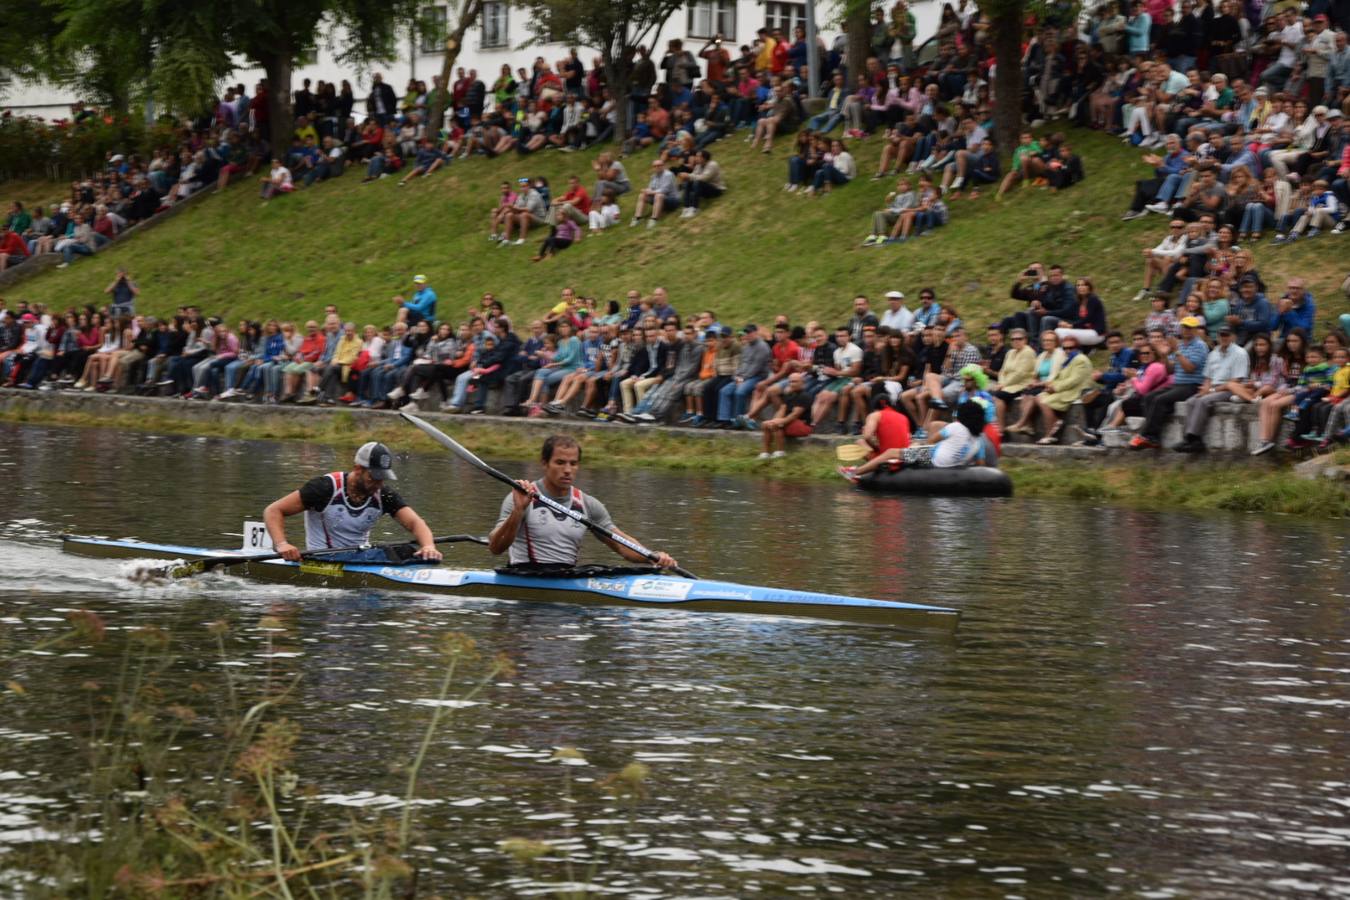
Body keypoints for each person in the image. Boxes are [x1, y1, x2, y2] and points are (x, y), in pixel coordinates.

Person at [489, 435, 679, 569]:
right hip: (525, 577)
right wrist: (518, 511)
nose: (567, 470)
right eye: (560, 462)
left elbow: (621, 544)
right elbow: (496, 547)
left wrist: (652, 556)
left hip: (565, 579)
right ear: (544, 463)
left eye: (573, 463)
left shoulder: (588, 504)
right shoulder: (522, 497)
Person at [262, 442, 442, 563]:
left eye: (383, 478)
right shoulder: (325, 488)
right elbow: (273, 510)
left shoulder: (383, 495)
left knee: (407, 551)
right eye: (374, 477)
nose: (379, 484)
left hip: (359, 558)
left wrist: (428, 546)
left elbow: (415, 523)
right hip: (323, 559)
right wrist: (282, 544)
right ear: (358, 469)